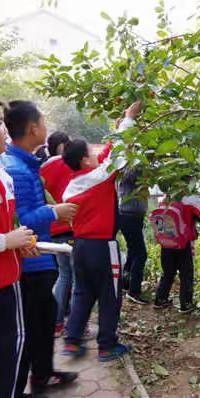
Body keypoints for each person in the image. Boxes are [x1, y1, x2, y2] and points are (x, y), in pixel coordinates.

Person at [1, 101, 78, 395]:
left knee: (43, 324)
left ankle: (43, 375)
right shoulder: (16, 171)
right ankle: (24, 384)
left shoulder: (25, 165)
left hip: (39, 259)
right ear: (33, 128)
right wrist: (54, 212)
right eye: (43, 122)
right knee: (28, 333)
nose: (46, 128)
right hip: (29, 266)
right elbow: (20, 222)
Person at [61, 102, 141, 362]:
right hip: (102, 248)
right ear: (85, 159)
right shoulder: (98, 177)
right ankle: (107, 345)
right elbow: (116, 157)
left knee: (83, 293)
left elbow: (107, 156)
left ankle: (72, 340)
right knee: (110, 295)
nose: (96, 154)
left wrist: (118, 130)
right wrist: (129, 118)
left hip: (81, 247)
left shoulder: (74, 185)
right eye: (91, 153)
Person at [0, 119, 37, 398]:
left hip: (8, 275)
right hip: (3, 280)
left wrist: (17, 240)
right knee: (11, 345)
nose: (3, 128)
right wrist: (6, 242)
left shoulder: (4, 174)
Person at [40, 136, 77, 337]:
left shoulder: (42, 168)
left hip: (51, 229)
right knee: (76, 277)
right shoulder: (66, 165)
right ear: (61, 146)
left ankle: (56, 323)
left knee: (63, 275)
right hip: (69, 228)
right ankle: (74, 324)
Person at [153, 194, 200, 313]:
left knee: (167, 272)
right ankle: (186, 304)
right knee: (186, 274)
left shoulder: (166, 198)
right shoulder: (190, 199)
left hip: (166, 242)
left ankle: (160, 299)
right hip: (183, 243)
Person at [117, 167, 149, 305]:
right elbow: (132, 176)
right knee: (141, 254)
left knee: (133, 250)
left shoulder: (133, 166)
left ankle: (126, 284)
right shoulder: (130, 168)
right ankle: (134, 292)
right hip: (129, 215)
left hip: (132, 215)